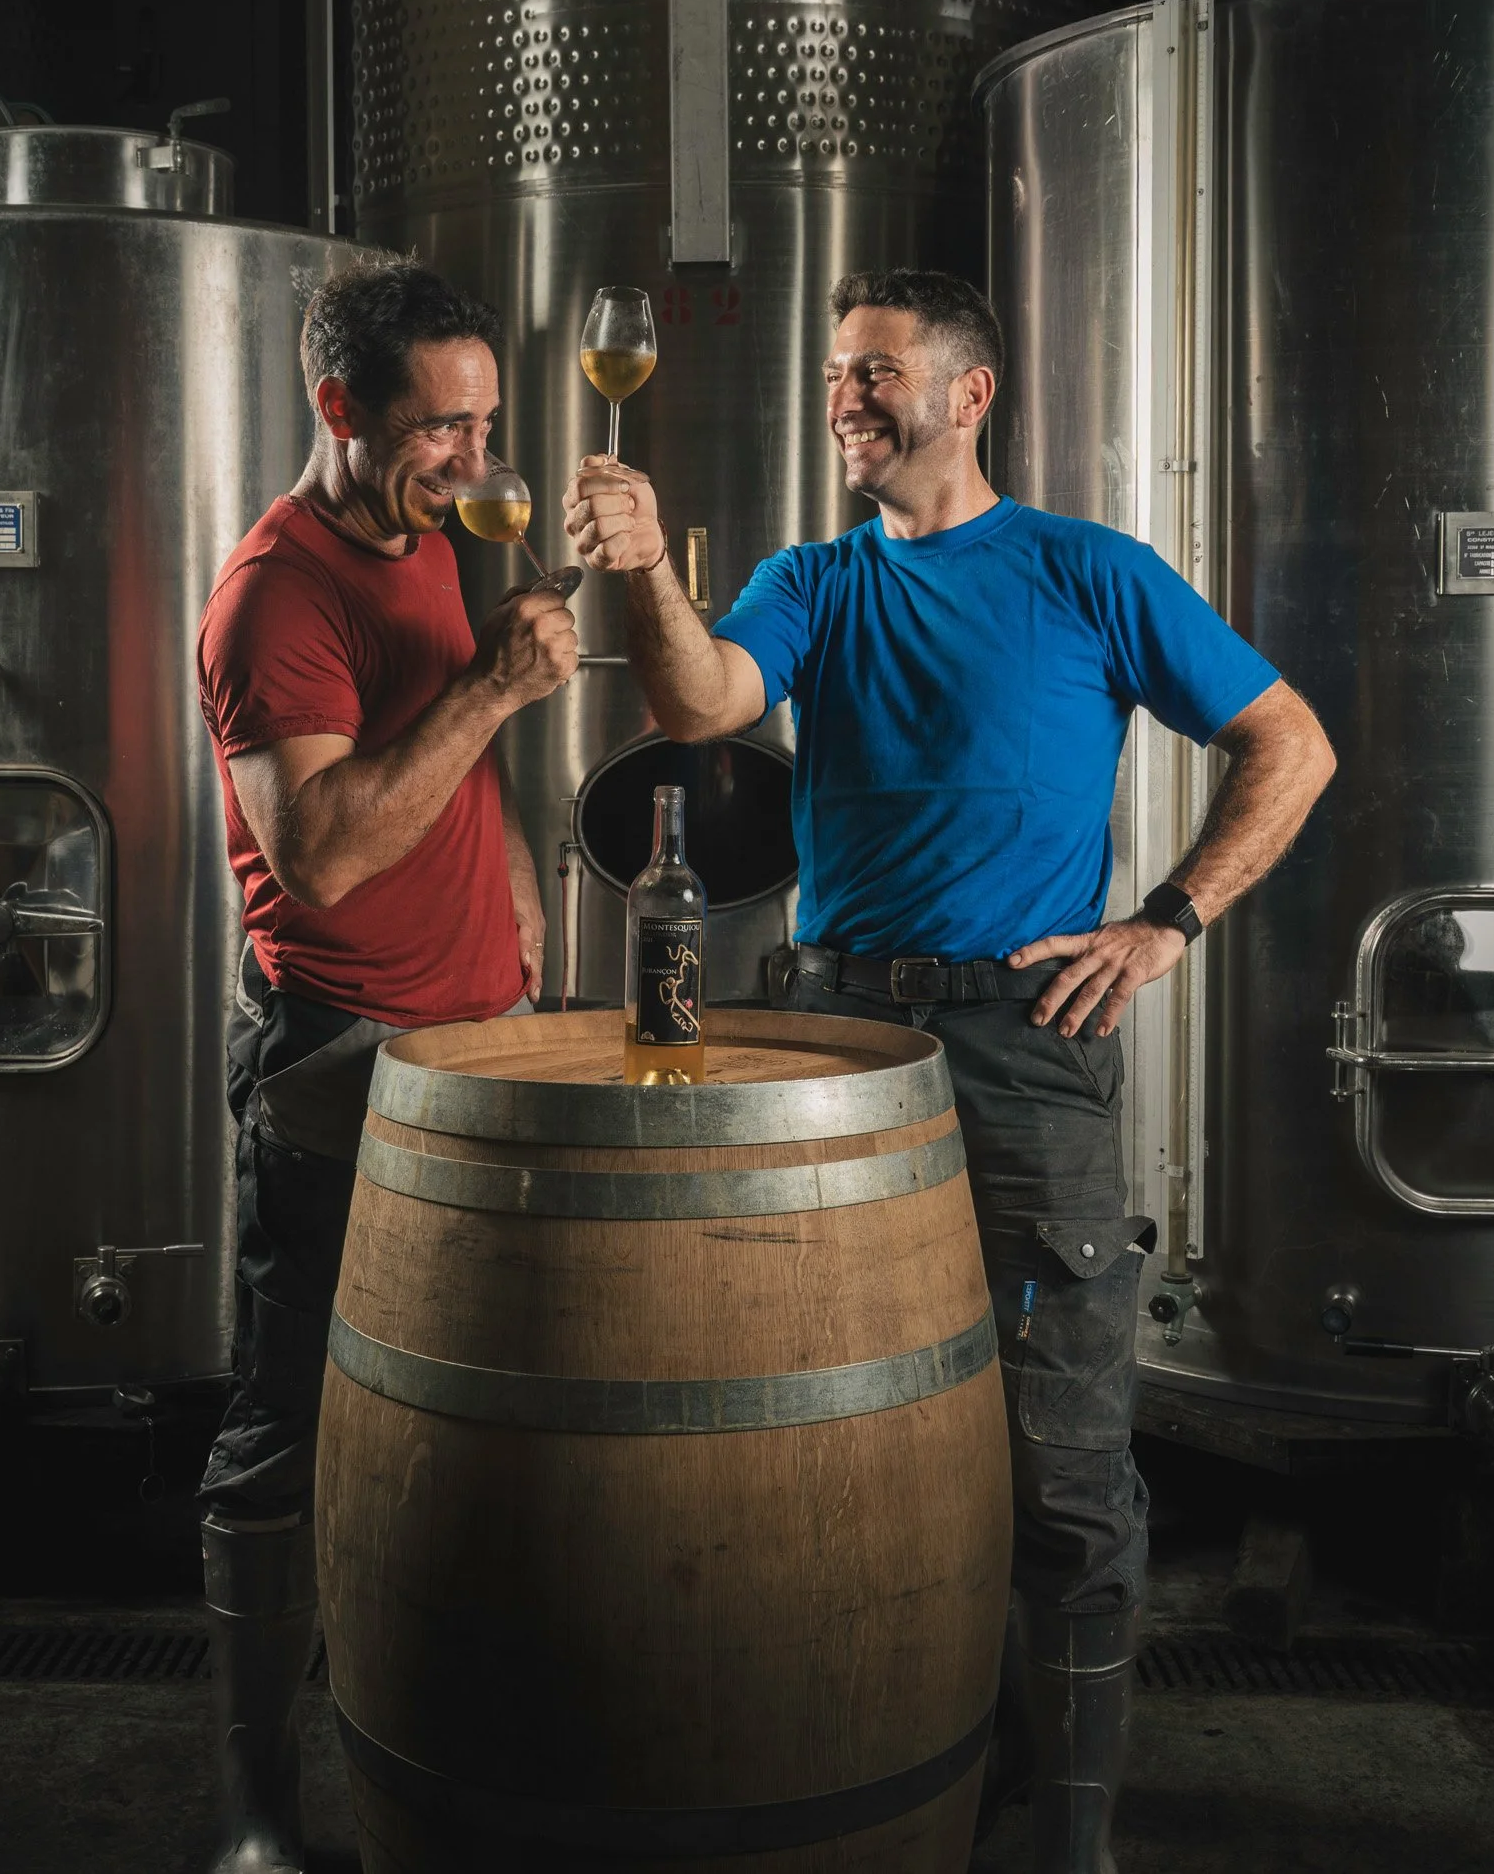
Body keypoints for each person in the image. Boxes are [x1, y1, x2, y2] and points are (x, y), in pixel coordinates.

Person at [564, 267, 1334, 1874]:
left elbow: (1290, 742)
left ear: (969, 393)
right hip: (833, 1039)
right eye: (837, 372)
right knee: (830, 1442)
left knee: (1058, 1463)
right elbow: (704, 700)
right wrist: (643, 572)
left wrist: (1166, 922)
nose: (846, 394)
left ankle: (1072, 1837)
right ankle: (906, 1776)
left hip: (1024, 1046)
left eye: (877, 371)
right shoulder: (814, 578)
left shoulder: (1086, 571)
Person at [195, 259, 577, 1873]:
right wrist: (498, 685)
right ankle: (260, 1810)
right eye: (440, 429)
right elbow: (329, 856)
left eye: (488, 424)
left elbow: (441, 779)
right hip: (343, 1061)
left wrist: (513, 898)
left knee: (464, 1415)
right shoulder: (273, 596)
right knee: (293, 1430)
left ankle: (432, 1731)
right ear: (337, 408)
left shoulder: (424, 535)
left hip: (475, 1045)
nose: (477, 462)